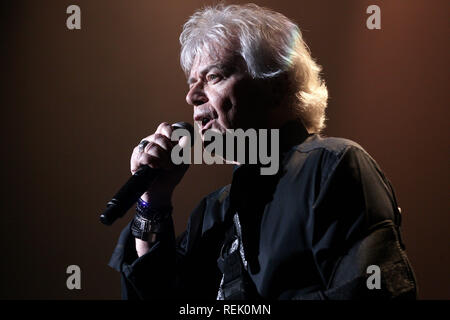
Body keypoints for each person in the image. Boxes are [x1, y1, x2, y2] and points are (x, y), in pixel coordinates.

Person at [108, 3, 417, 300]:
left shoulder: (332, 167)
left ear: (275, 86)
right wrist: (153, 202)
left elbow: (370, 292)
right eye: (192, 82)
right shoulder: (211, 212)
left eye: (214, 76)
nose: (191, 96)